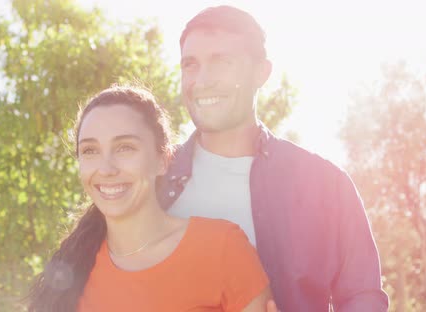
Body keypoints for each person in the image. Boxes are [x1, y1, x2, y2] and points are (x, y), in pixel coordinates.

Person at [157, 5, 389, 311]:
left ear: (261, 73)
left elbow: (362, 298)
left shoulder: (325, 185)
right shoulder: (152, 183)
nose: (202, 80)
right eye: (190, 65)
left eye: (221, 62)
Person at [28, 85, 275, 312]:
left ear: (163, 159)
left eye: (125, 147)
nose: (106, 168)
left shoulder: (223, 248)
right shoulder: (72, 270)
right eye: (90, 150)